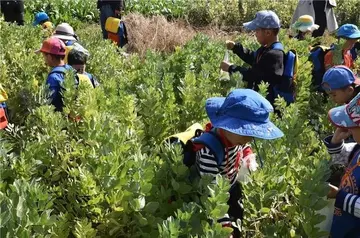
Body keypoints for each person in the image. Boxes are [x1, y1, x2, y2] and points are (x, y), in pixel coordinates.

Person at [198, 89, 284, 237]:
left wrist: (248, 156)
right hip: (214, 199)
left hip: (231, 188)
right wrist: (224, 227)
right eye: (246, 132)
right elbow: (212, 197)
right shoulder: (208, 153)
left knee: (238, 220)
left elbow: (244, 147)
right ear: (227, 125)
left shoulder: (235, 138)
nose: (250, 139)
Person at [221, 10, 287, 105]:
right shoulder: (267, 49)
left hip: (265, 104)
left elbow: (252, 75)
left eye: (257, 30)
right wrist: (236, 48)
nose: (255, 33)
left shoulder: (275, 55)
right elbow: (254, 58)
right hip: (259, 99)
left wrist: (230, 68)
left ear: (268, 32)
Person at [324, 92, 360, 237]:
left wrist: (339, 196)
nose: (349, 129)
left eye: (352, 125)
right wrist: (336, 141)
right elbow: (342, 159)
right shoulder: (358, 148)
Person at [36, 37, 72, 112]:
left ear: (49, 57)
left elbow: (50, 102)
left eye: (44, 56)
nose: (44, 59)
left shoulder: (53, 77)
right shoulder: (70, 69)